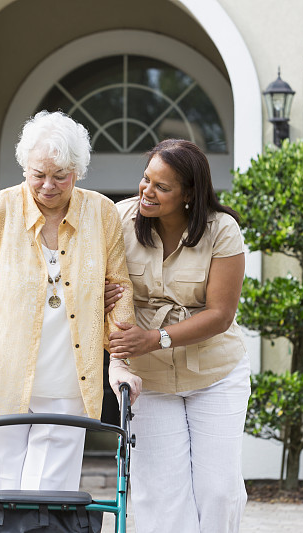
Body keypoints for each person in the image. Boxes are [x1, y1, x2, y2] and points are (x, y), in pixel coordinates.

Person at [0, 111, 142, 522]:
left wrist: (119, 363)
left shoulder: (102, 215)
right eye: (38, 175)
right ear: (24, 167)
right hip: (1, 383)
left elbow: (119, 291)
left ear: (79, 171)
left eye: (61, 175)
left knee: (47, 509)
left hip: (69, 386)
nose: (48, 186)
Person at [105, 139, 249, 533]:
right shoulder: (119, 220)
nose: (147, 191)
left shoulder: (222, 231)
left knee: (218, 491)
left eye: (162, 187)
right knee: (161, 494)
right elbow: (91, 281)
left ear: (188, 193)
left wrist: (155, 338)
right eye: (146, 179)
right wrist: (96, 292)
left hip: (215, 375)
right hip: (147, 379)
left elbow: (220, 315)